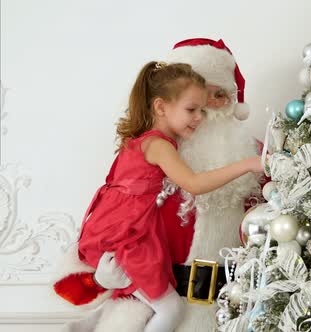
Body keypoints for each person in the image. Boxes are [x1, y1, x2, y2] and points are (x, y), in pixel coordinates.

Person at [52, 38, 265, 332]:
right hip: (143, 314)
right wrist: (99, 280)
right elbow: (96, 236)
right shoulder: (156, 157)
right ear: (164, 105)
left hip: (225, 315)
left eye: (218, 96)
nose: (203, 115)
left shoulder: (257, 160)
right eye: (194, 106)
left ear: (233, 101)